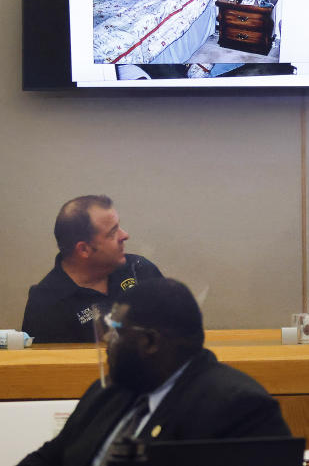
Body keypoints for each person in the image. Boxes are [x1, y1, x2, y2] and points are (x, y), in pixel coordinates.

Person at [17, 278, 290, 466]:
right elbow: (49, 458)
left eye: (116, 328)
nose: (107, 339)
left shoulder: (239, 408)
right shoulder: (108, 393)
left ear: (150, 342)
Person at [21, 195, 163, 343]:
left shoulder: (140, 270)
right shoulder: (46, 305)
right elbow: (46, 364)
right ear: (84, 249)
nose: (125, 235)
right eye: (113, 232)